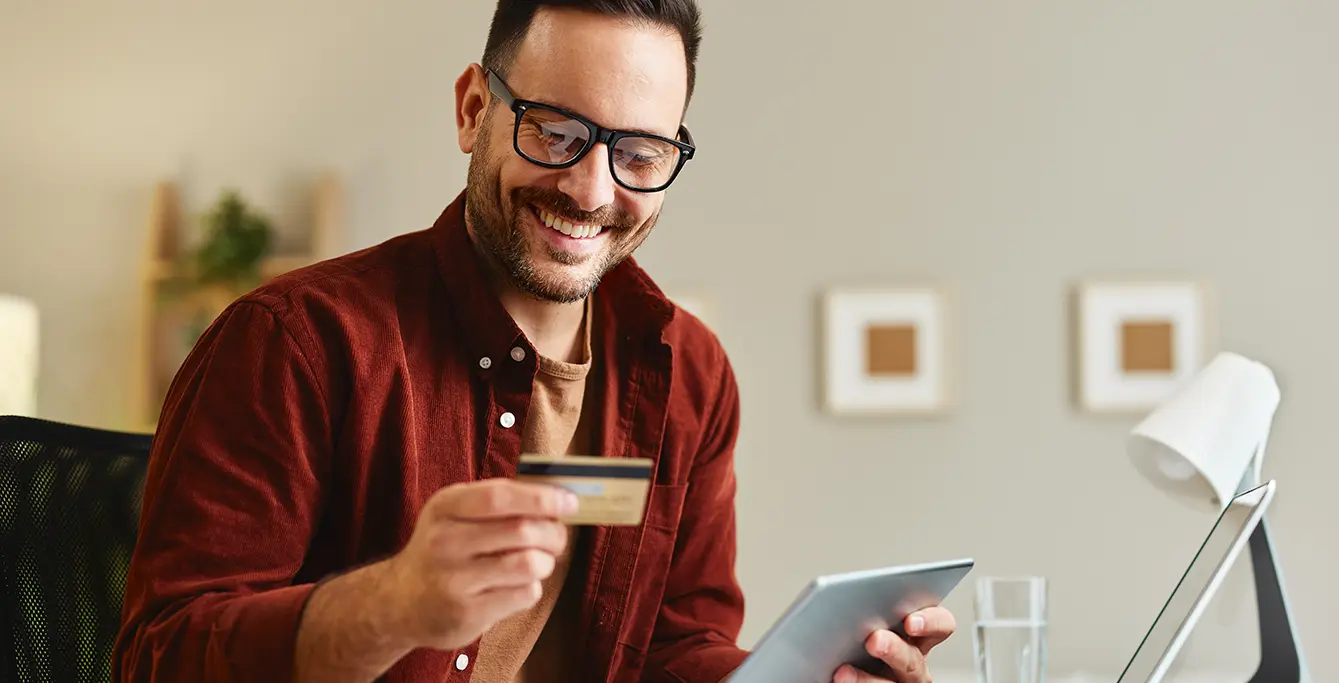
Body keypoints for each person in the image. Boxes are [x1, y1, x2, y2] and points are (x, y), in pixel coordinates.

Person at [112, 1, 956, 682]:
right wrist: (392, 606)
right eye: (554, 130)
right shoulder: (293, 344)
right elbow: (162, 656)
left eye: (640, 152)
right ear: (474, 109)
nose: (593, 189)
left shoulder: (688, 374)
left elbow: (672, 648)